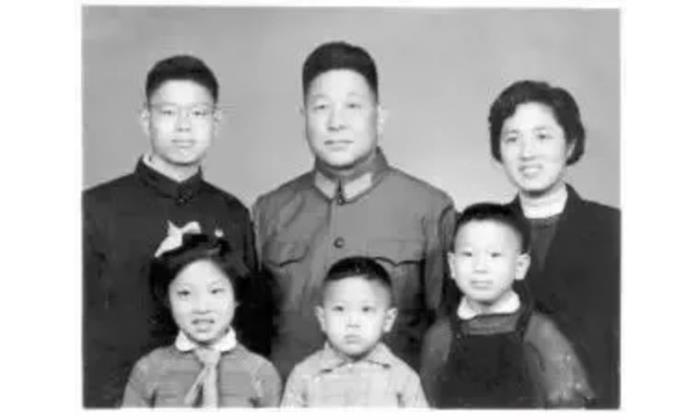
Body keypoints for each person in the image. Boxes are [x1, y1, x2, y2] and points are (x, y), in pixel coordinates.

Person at [253, 41, 455, 379]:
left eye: (352, 106)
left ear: (380, 117)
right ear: (304, 117)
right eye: (321, 107)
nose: (336, 122)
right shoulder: (268, 212)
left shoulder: (430, 210)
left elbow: (447, 336)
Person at [83, 54, 270, 407]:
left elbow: (251, 325)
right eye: (168, 112)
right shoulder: (93, 209)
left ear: (216, 121)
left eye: (198, 113)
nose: (184, 127)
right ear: (146, 119)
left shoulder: (232, 213)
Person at [486, 80, 620, 407]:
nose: (527, 153)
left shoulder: (616, 228)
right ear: (499, 151)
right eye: (512, 139)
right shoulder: (480, 231)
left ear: (570, 145)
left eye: (542, 136)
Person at [421, 203, 594, 408]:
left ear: (520, 266)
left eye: (494, 255)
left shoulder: (541, 333)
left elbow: (569, 405)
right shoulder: (440, 336)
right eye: (468, 254)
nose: (480, 267)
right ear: (452, 265)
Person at [122, 232, 281, 407]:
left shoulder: (261, 372)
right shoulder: (148, 369)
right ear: (167, 299)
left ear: (236, 296)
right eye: (185, 293)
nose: (202, 308)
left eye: (215, 291)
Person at [281, 257, 427, 407]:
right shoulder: (303, 376)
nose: (352, 322)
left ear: (388, 320)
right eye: (339, 309)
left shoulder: (404, 378)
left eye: (366, 309)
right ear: (322, 318)